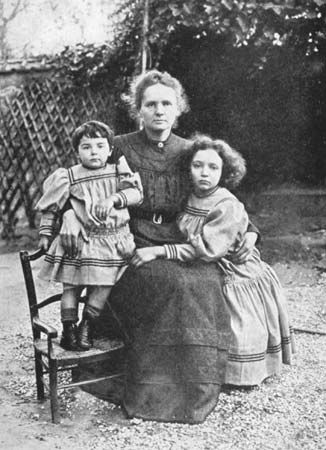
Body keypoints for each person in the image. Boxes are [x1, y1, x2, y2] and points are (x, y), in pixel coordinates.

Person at [59, 70, 259, 423]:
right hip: (128, 241)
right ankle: (154, 389)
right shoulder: (117, 145)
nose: (159, 111)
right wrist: (70, 216)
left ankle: (196, 382)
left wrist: (252, 232)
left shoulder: (190, 151)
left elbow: (219, 198)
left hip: (182, 241)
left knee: (204, 281)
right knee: (167, 283)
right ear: (138, 109)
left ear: (178, 108)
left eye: (167, 103)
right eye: (150, 104)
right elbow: (79, 180)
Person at [135, 134, 294, 386]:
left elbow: (208, 249)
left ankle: (240, 374)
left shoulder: (226, 204)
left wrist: (159, 251)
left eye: (213, 167)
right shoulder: (188, 197)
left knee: (236, 322)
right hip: (205, 257)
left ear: (225, 171)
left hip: (233, 265)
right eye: (197, 166)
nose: (204, 173)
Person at [36, 120, 143, 351]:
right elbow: (51, 206)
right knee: (71, 288)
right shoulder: (70, 176)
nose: (94, 151)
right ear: (76, 152)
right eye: (86, 147)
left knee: (104, 286)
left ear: (110, 150)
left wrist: (114, 199)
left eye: (100, 146)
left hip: (112, 241)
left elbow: (135, 194)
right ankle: (68, 329)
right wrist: (45, 233)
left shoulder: (117, 171)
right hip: (80, 240)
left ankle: (87, 325)